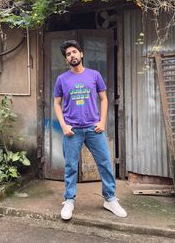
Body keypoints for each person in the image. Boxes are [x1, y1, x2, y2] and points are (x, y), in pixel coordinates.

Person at [54, 40, 127, 220]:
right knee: (71, 166)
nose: (72, 56)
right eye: (68, 54)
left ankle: (110, 199)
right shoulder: (62, 79)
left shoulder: (94, 75)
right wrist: (63, 125)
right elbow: (57, 103)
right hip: (73, 131)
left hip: (94, 129)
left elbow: (104, 99)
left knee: (105, 163)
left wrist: (102, 122)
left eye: (74, 52)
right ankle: (69, 201)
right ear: (66, 59)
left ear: (81, 54)